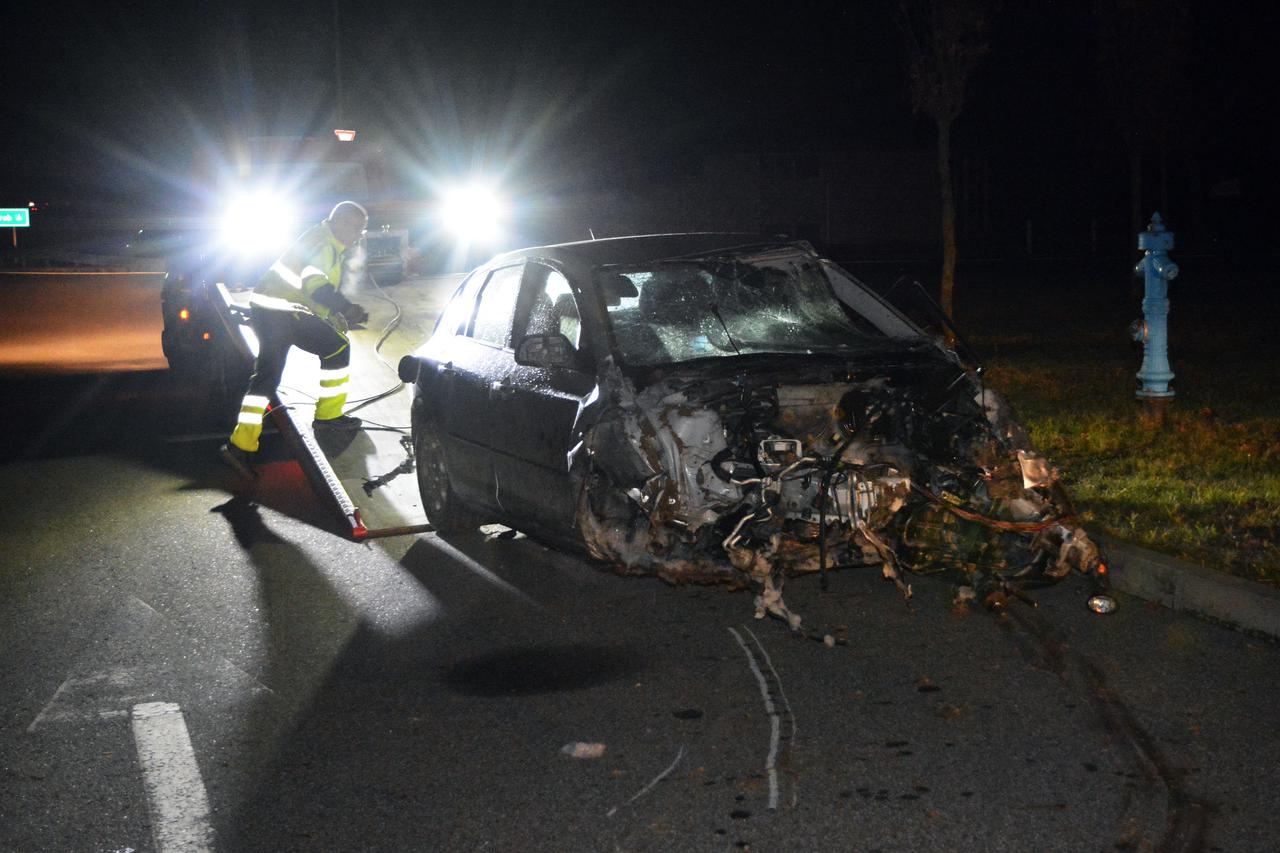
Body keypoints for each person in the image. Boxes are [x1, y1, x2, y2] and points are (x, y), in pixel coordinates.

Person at [220, 201, 371, 478]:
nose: (357, 236)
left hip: (267, 310)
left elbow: (305, 289)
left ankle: (239, 446)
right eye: (356, 229)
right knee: (338, 347)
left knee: (266, 378)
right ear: (340, 222)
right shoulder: (325, 246)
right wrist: (345, 308)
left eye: (361, 231)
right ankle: (328, 419)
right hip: (286, 314)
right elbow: (315, 285)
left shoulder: (320, 238)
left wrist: (330, 315)